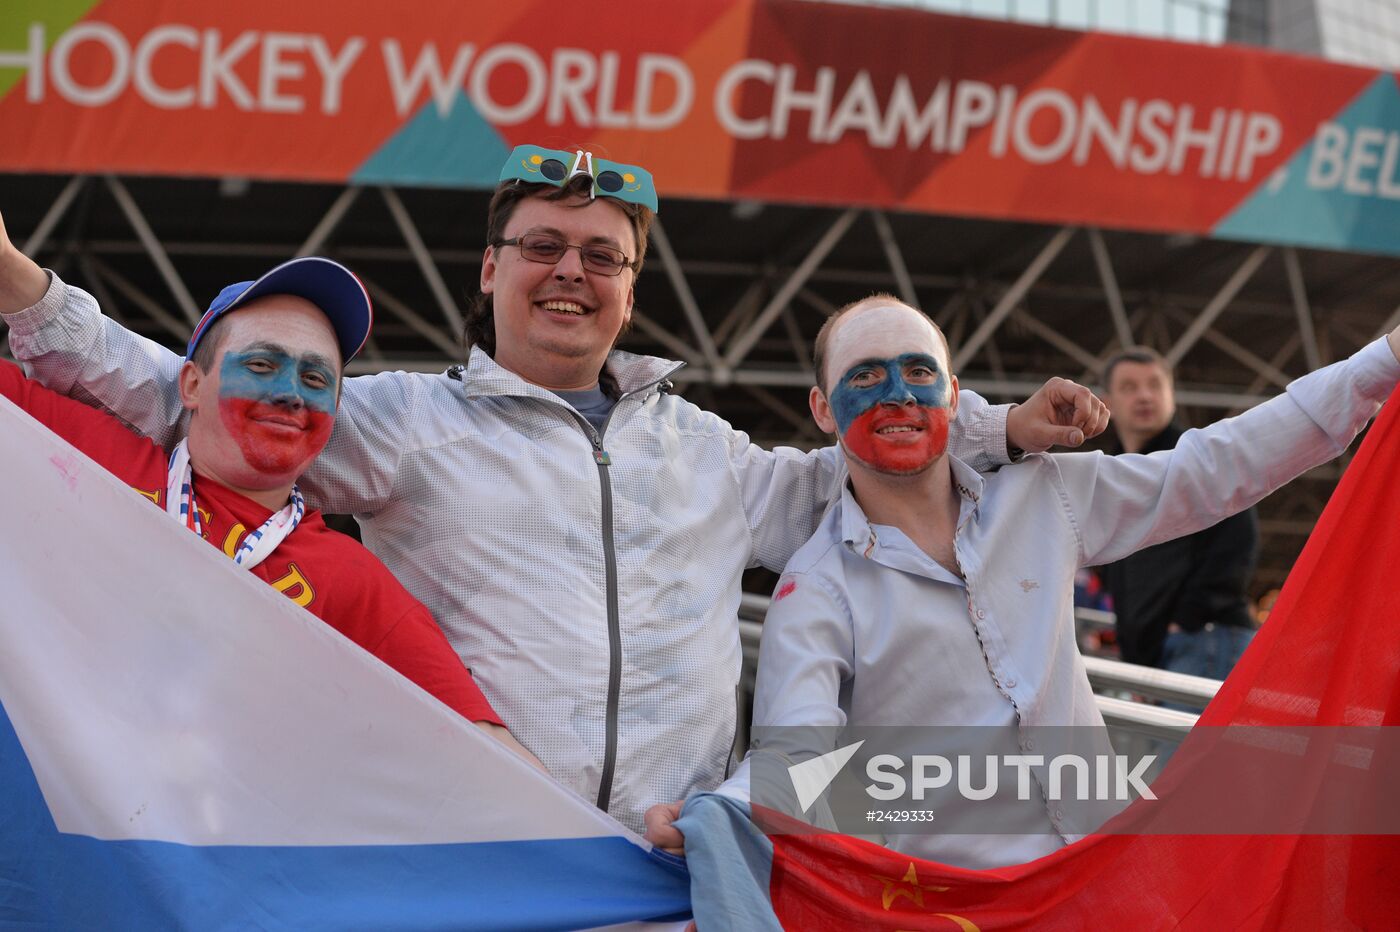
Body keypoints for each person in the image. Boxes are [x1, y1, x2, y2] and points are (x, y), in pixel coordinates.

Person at [0, 147, 1106, 833]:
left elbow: (861, 468)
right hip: (480, 850)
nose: (570, 270)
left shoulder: (710, 451)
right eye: (541, 246)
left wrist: (997, 428)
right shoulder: (404, 423)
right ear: (490, 270)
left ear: (631, 288)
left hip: (671, 863)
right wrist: (18, 281)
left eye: (601, 255)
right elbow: (180, 392)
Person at [644, 293, 1400, 869]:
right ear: (820, 409)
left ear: (954, 394)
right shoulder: (815, 591)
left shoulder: (1045, 495)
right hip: (964, 906)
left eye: (918, 372)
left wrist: (1380, 364)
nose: (898, 395)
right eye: (864, 377)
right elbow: (795, 756)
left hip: (1106, 874)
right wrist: (722, 815)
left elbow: (1213, 467)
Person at [0, 252, 541, 769]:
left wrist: (586, 831)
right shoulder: (83, 454)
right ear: (192, 384)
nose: (289, 394)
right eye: (261, 364)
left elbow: (488, 752)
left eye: (315, 379)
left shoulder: (350, 581)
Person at [1097, 346, 1259, 677]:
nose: (1145, 396)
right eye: (1129, 387)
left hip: (1204, 639)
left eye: (1155, 385)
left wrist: (1188, 618)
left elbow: (1238, 537)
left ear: (1171, 394)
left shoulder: (1197, 456)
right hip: (1165, 648)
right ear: (1107, 403)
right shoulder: (1113, 473)